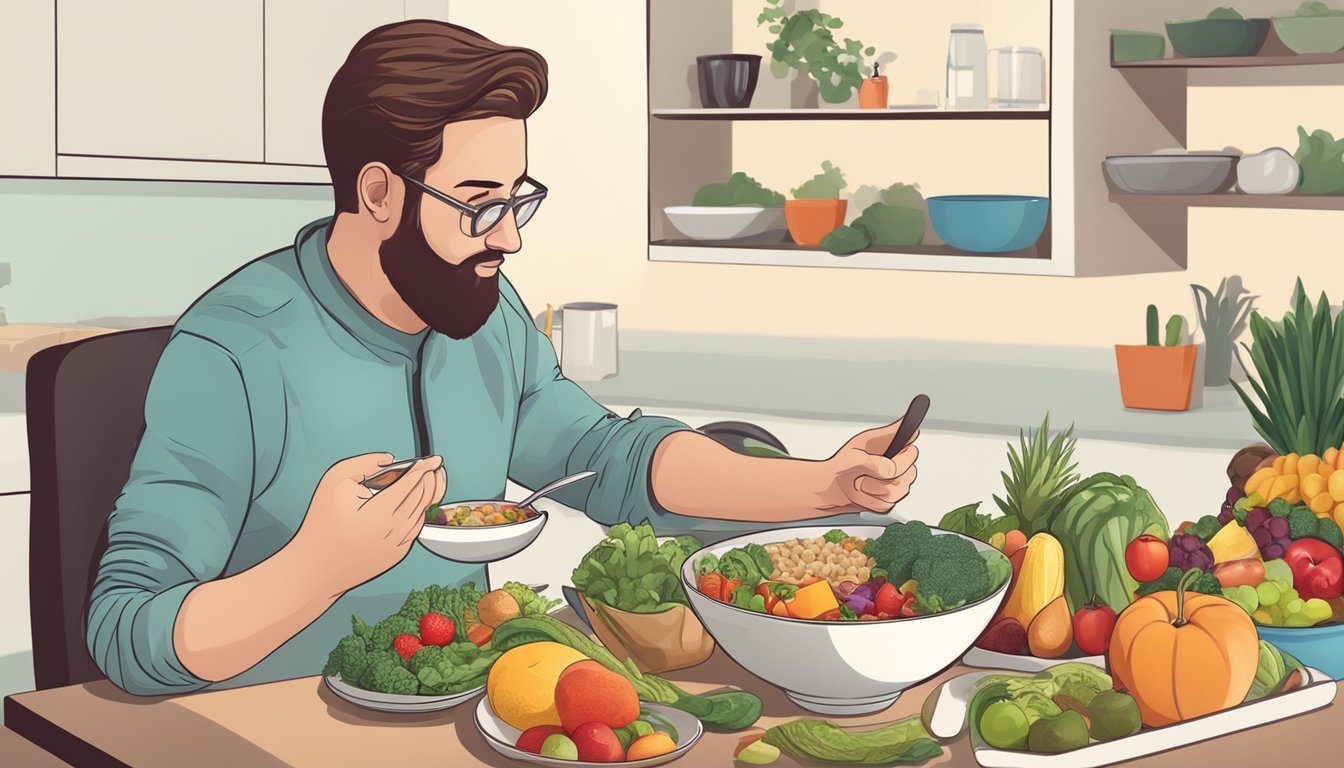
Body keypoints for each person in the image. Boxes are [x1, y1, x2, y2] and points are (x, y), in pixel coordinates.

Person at [86, 20, 920, 697]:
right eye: (480, 205)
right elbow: (125, 629)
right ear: (378, 193)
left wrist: (822, 484)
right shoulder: (232, 349)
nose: (511, 237)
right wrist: (317, 569)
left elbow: (608, 460)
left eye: (519, 199)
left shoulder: (488, 318)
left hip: (472, 718)